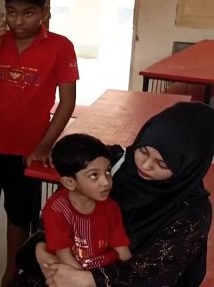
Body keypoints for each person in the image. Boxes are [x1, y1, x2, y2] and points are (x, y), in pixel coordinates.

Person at [0, 0, 79, 287]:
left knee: (19, 220)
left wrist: (44, 146)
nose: (18, 21)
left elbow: (67, 103)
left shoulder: (60, 47)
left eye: (28, 13)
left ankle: (10, 279)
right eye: (11, 12)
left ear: (44, 12)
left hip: (27, 154)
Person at [14, 101, 214, 287]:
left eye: (162, 164)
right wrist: (42, 250)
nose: (145, 166)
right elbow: (59, 214)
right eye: (144, 151)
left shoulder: (193, 211)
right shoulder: (109, 163)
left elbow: (157, 272)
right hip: (64, 268)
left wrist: (89, 280)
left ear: (188, 167)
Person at [43, 134, 131, 271]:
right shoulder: (56, 210)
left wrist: (132, 275)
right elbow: (64, 257)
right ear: (69, 182)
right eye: (94, 175)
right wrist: (88, 279)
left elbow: (122, 251)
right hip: (74, 272)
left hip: (104, 272)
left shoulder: (110, 207)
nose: (106, 182)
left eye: (108, 171)